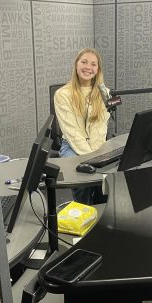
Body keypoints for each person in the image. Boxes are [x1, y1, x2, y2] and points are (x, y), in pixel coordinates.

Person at [54, 48, 110, 205]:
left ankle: (101, 215)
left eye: (93, 64)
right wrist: (91, 158)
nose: (88, 67)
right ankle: (83, 211)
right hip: (71, 146)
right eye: (84, 62)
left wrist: (99, 155)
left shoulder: (104, 92)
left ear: (98, 69)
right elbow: (71, 131)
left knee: (107, 176)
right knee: (83, 177)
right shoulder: (62, 94)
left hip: (98, 144)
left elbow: (100, 128)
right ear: (76, 65)